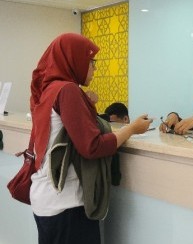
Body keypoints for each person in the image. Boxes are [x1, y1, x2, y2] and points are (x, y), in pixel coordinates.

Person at [29, 33, 152, 244]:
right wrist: (131, 129)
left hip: (46, 199)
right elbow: (92, 147)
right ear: (74, 58)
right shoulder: (67, 90)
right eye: (91, 61)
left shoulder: (49, 89)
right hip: (65, 203)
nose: (94, 68)